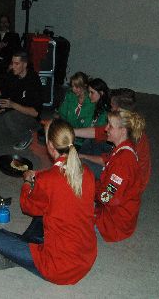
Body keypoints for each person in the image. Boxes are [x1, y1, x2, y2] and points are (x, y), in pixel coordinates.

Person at [0, 119, 97, 285]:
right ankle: (26, 253)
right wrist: (40, 177)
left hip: (58, 267)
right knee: (46, 210)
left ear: (50, 146)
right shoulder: (87, 172)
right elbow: (62, 182)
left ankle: (23, 257)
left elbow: (26, 206)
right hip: (85, 256)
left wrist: (27, 183)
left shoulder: (47, 180)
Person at [76, 88, 151, 190]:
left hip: (126, 184)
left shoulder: (123, 159)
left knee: (81, 164)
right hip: (118, 168)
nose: (110, 109)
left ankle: (82, 181)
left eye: (112, 107)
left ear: (119, 110)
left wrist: (82, 158)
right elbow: (98, 133)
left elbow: (110, 194)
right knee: (91, 143)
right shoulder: (125, 128)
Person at [95, 109, 146, 242]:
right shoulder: (124, 148)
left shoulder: (123, 162)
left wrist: (90, 190)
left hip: (114, 223)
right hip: (118, 213)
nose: (106, 129)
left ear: (123, 131)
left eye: (110, 126)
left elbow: (107, 197)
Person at [0, 51, 43, 151]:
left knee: (9, 117)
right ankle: (12, 130)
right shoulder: (12, 74)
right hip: (14, 112)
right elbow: (1, 90)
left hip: (31, 118)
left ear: (25, 65)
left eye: (16, 63)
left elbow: (35, 113)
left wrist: (12, 105)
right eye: (12, 63)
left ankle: (26, 136)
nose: (13, 66)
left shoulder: (33, 80)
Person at [54, 72, 94, 146]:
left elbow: (87, 125)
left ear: (84, 86)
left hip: (82, 138)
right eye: (72, 86)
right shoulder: (70, 96)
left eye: (77, 87)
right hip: (67, 132)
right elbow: (62, 113)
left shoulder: (91, 101)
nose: (74, 89)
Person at [0, 15, 21, 82]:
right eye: (2, 22)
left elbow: (17, 51)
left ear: (9, 24)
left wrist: (6, 46)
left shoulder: (14, 36)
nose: (3, 23)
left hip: (8, 64)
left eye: (5, 22)